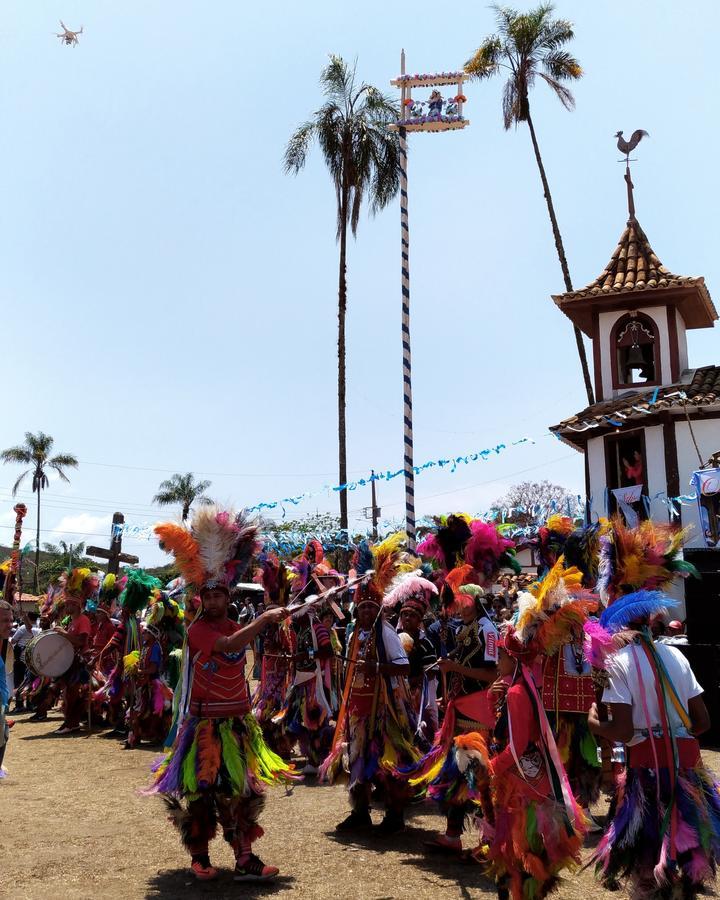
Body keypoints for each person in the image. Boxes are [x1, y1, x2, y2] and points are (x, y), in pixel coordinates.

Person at [148, 506, 297, 883]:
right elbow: (230, 645)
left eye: (219, 596)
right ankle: (200, 857)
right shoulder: (199, 631)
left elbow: (237, 640)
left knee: (243, 794)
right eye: (208, 596)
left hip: (237, 726)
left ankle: (245, 858)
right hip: (204, 728)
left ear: (227, 596)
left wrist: (266, 622)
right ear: (200, 599)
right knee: (201, 795)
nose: (213, 602)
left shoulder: (233, 622)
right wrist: (263, 619)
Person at [588, 590, 720, 898]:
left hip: (646, 776)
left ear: (618, 627)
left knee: (647, 865)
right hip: (687, 770)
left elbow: (621, 730)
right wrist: (673, 735)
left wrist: (595, 723)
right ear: (650, 621)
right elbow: (702, 722)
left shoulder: (618, 663)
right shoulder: (675, 655)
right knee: (685, 859)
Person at [320, 534, 420, 836]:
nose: (364, 612)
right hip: (359, 710)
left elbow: (403, 666)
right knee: (358, 761)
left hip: (386, 710)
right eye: (361, 608)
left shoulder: (386, 633)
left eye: (369, 608)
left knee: (388, 762)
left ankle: (394, 815)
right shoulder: (354, 636)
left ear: (378, 610)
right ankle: (360, 812)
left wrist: (376, 667)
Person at [10, 611, 39, 711]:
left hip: (21, 659)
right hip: (32, 659)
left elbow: (13, 640)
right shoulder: (38, 628)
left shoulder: (23, 628)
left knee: (19, 681)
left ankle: (19, 705)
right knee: (30, 681)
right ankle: (30, 704)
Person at [0, 599, 14, 776]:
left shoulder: (3, 643)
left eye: (11, 620)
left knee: (4, 734)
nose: (10, 625)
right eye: (4, 621)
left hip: (1, 703)